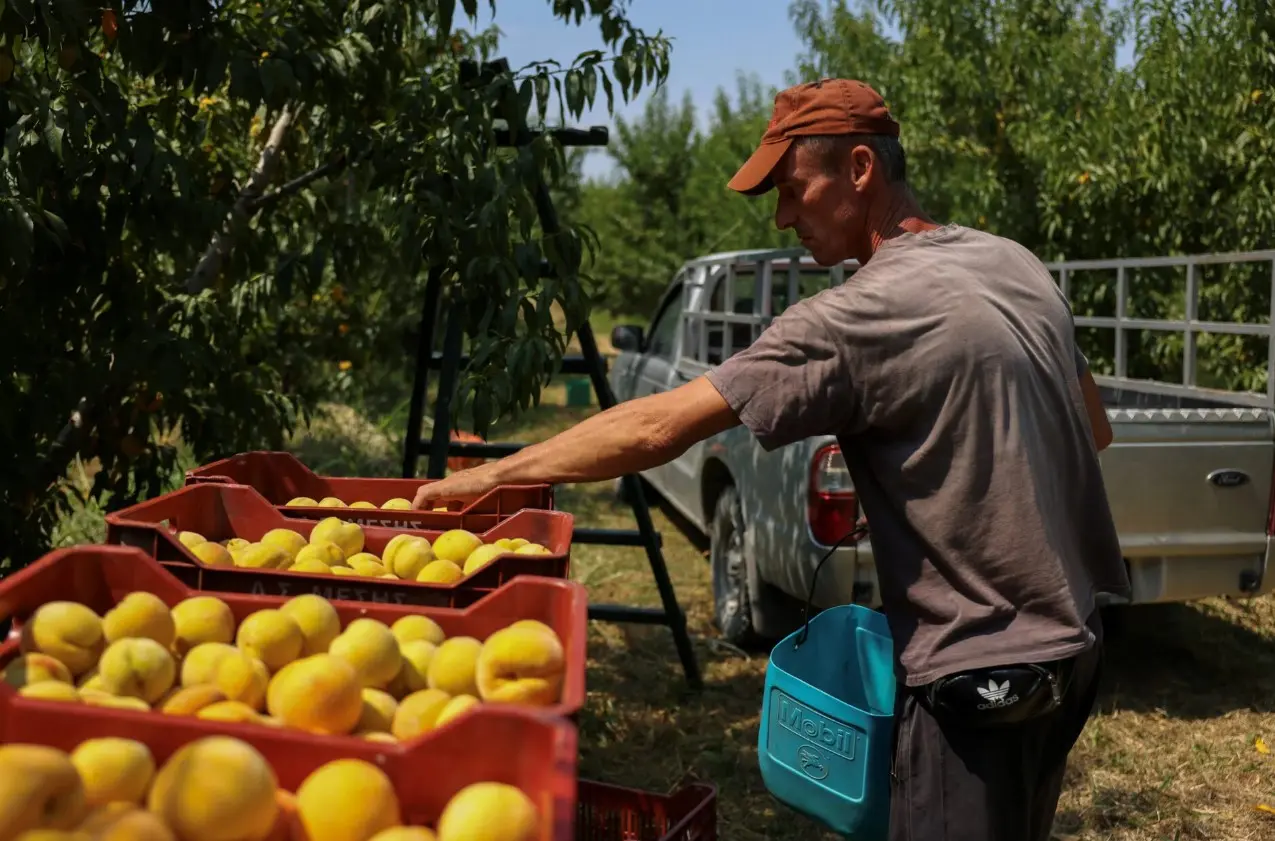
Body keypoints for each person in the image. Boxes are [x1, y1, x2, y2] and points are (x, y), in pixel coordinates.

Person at [413, 78, 1132, 841]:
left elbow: (659, 427)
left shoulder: (850, 318)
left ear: (860, 168)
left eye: (794, 189)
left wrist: (491, 473)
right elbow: (1091, 429)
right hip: (1076, 646)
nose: (785, 217)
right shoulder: (1012, 262)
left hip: (980, 676)